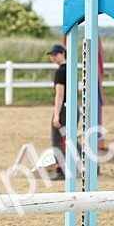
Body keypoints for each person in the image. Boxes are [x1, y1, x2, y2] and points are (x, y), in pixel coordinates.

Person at [47, 44, 68, 178]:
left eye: (55, 54)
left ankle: (61, 170)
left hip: (63, 110)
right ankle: (90, 164)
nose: (53, 57)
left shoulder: (60, 72)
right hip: (71, 108)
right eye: (52, 55)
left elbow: (59, 94)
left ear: (62, 53)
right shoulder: (70, 69)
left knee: (57, 139)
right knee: (69, 138)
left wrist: (56, 115)